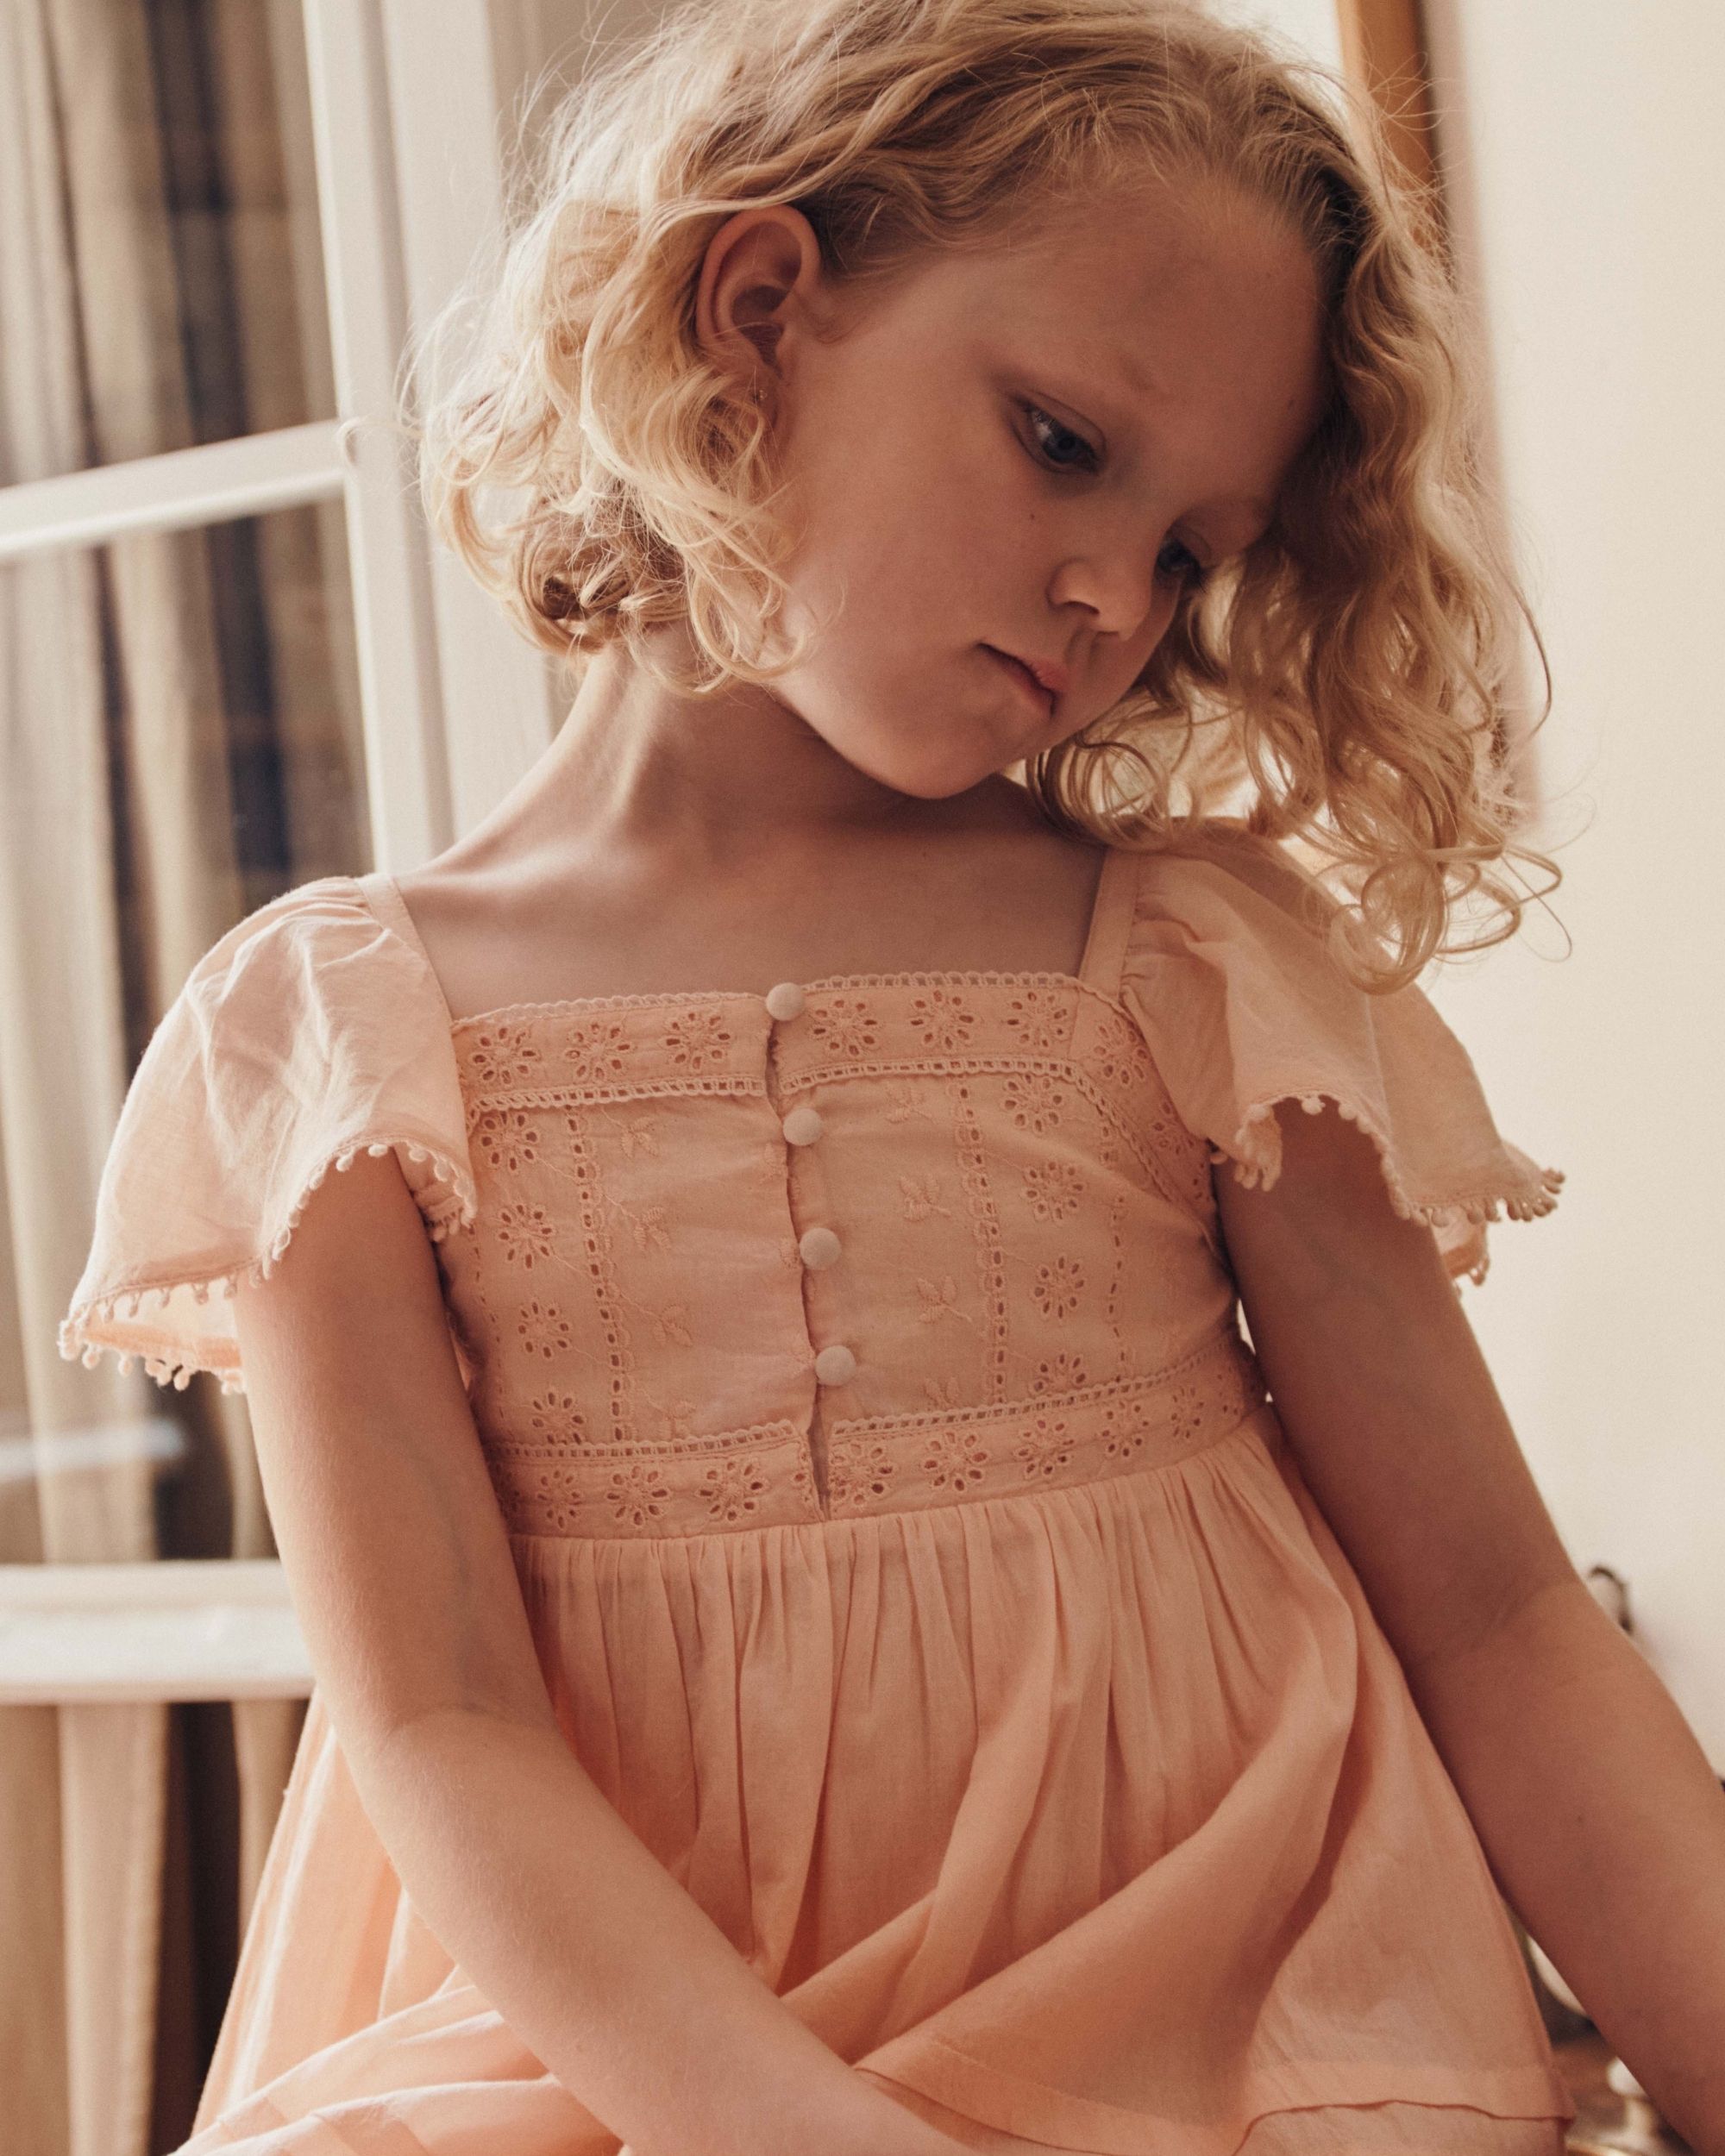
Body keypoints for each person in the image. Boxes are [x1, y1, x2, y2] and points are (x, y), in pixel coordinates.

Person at [56, 1, 1725, 2151]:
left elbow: (1502, 1625)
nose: (1113, 595)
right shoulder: (338, 1036)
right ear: (757, 310)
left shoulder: (1189, 958)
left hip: (1241, 2043)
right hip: (623, 2066)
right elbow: (442, 1722)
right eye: (1061, 441)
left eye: (1191, 551)